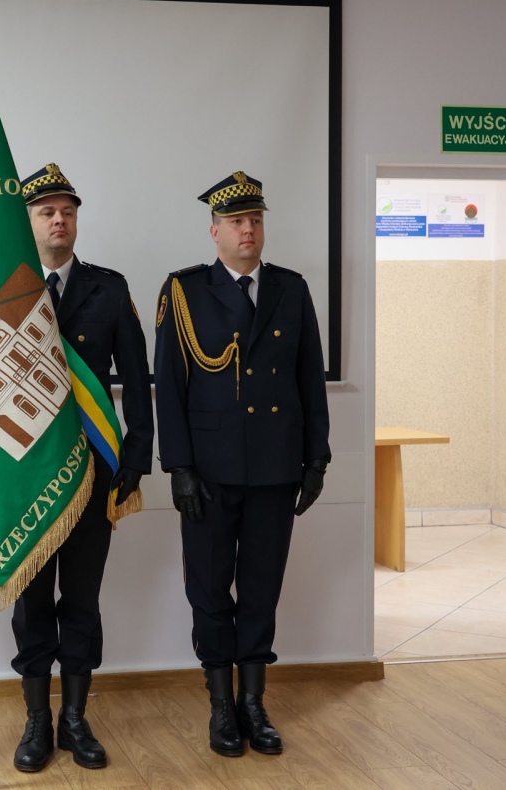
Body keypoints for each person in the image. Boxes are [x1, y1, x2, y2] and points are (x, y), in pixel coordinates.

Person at [152, 171, 330, 758]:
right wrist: (178, 467)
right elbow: (169, 387)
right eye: (235, 221)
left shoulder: (291, 289)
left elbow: (309, 379)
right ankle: (221, 706)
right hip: (209, 470)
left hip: (275, 467)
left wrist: (316, 457)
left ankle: (254, 703)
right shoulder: (184, 291)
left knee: (261, 588)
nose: (248, 229)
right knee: (209, 591)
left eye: (255, 219)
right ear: (215, 232)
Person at [10, 163, 154, 773]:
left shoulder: (108, 288)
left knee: (83, 597)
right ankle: (37, 721)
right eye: (46, 212)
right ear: (27, 222)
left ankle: (74, 717)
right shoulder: (7, 290)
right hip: (27, 473)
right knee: (32, 601)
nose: (58, 220)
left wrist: (137, 455)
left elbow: (138, 379)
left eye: (67, 211)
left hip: (94, 470)